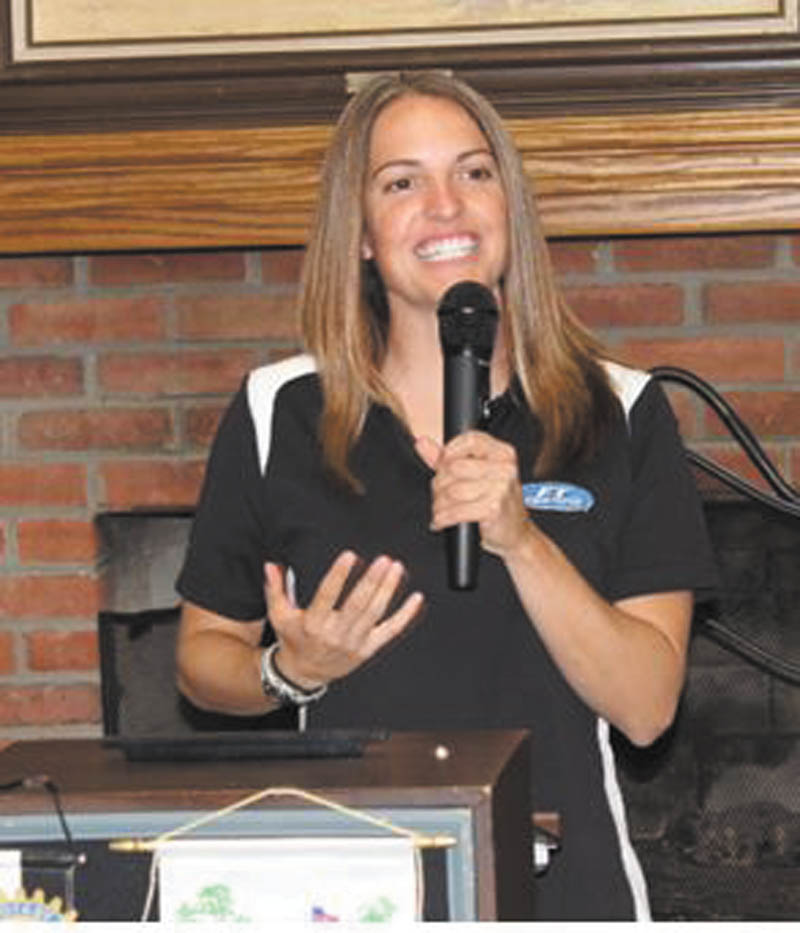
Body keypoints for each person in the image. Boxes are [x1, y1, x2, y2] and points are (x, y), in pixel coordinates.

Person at [175, 71, 717, 920]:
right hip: (353, 893)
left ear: (510, 203)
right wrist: (290, 671)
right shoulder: (277, 410)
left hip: (566, 891)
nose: (446, 206)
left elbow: (648, 708)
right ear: (359, 233)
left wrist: (523, 540)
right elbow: (201, 660)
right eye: (402, 182)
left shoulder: (623, 409)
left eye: (473, 172)